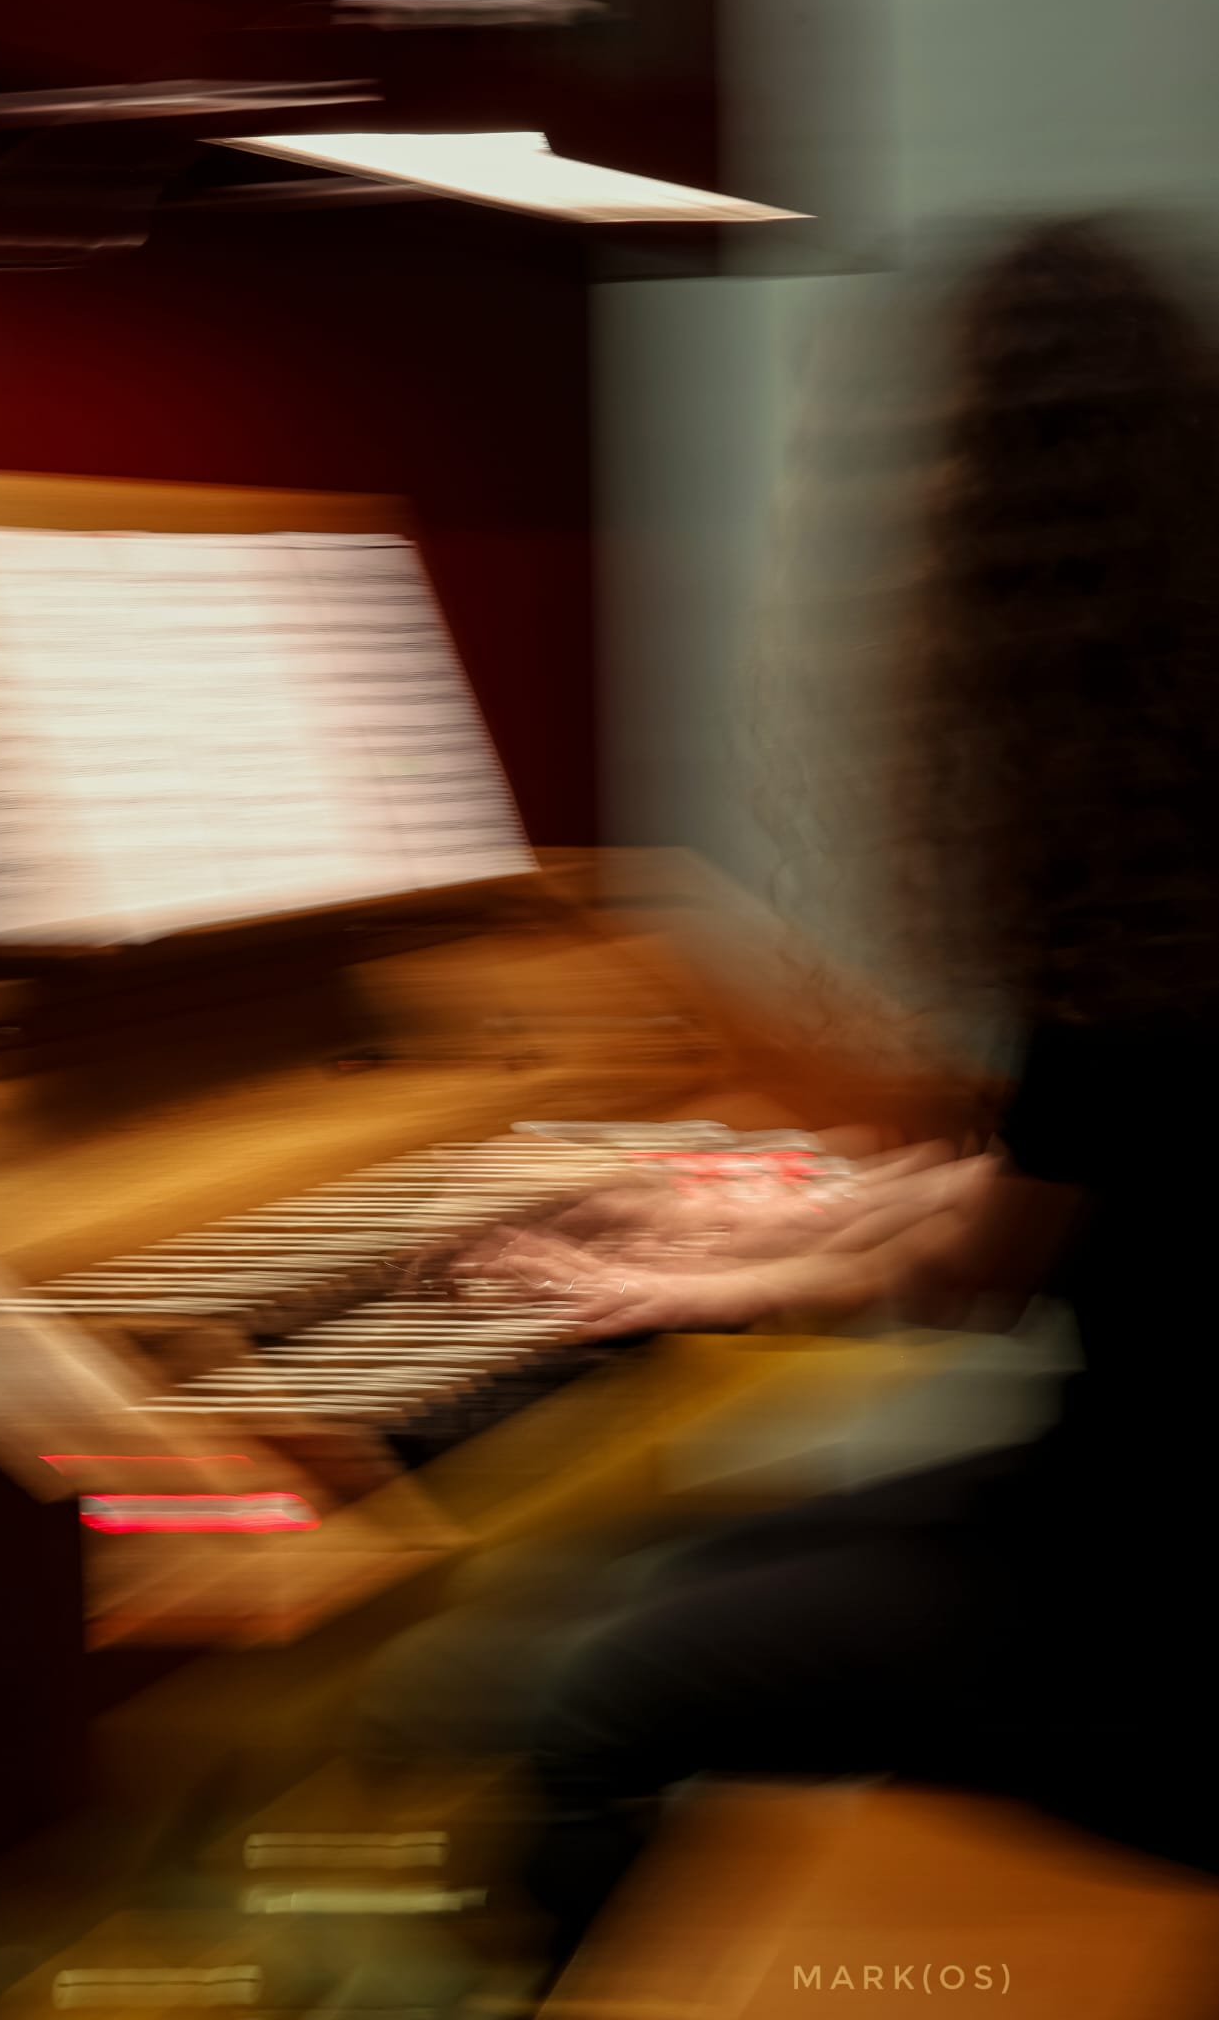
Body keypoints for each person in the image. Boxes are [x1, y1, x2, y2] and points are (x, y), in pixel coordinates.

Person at [352, 216, 1219, 1973]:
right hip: (1146, 1508)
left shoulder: (1153, 890)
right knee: (668, 1584)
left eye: (923, 474)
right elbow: (1064, 1175)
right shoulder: (1172, 802)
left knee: (571, 1700)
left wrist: (695, 1280)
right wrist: (752, 1214)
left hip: (1177, 1614)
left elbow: (982, 1260)